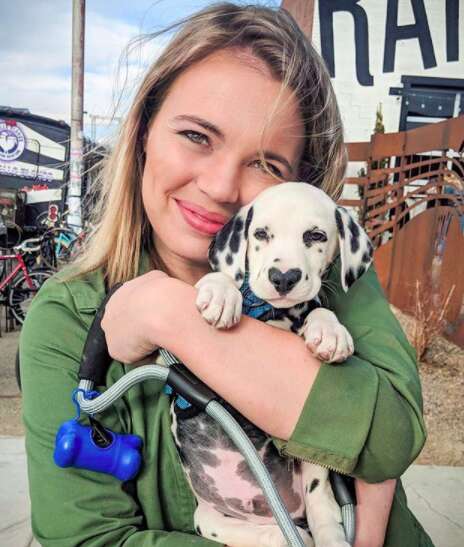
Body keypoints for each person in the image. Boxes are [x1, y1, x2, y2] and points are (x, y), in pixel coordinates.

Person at [20, 3, 434, 546]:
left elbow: (392, 440)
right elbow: (85, 541)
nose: (219, 187)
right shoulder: (69, 316)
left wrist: (171, 315)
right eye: (196, 135)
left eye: (266, 164)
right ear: (143, 130)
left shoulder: (326, 269)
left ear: (298, 184)